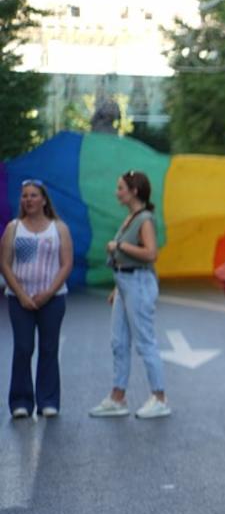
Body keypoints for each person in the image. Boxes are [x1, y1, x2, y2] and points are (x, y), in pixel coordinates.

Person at [88, 170, 171, 419]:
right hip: (124, 282)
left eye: (121, 188)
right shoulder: (131, 217)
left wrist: (119, 245)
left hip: (139, 282)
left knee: (145, 342)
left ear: (134, 191)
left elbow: (151, 254)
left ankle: (160, 397)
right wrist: (117, 287)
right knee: (118, 342)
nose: (117, 192)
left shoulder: (144, 218)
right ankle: (118, 397)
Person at [1, 179, 73, 418]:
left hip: (52, 299)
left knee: (49, 348)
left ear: (43, 200)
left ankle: (48, 401)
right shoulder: (13, 228)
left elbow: (66, 264)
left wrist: (48, 293)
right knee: (23, 347)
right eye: (24, 196)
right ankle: (20, 401)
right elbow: (5, 263)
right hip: (19, 300)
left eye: (33, 196)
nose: (28, 200)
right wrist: (21, 294)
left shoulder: (58, 228)